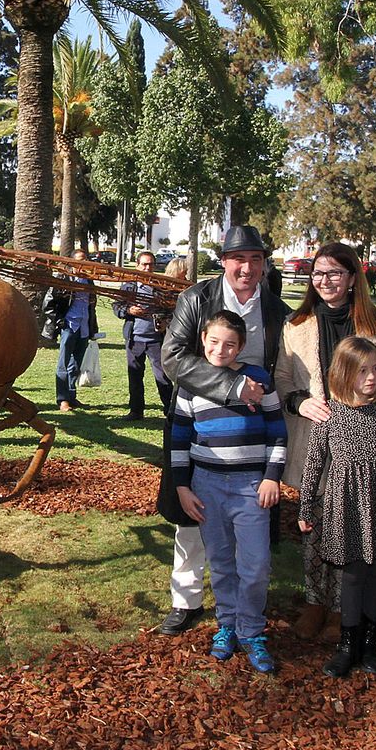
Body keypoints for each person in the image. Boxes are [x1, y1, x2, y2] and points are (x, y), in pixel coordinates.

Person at [157, 225, 289, 636]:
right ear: (224, 262)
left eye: (255, 259)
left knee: (246, 521)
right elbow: (173, 357)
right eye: (238, 259)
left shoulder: (277, 310)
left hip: (251, 432)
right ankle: (186, 599)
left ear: (264, 264)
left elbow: (283, 367)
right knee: (191, 513)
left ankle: (242, 609)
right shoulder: (196, 298)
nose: (246, 268)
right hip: (199, 418)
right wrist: (232, 387)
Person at [276, 241, 376, 642]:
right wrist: (300, 403)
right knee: (314, 522)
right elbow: (281, 382)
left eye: (334, 273)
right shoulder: (297, 326)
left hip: (361, 444)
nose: (325, 281)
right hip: (316, 436)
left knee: (352, 524)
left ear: (351, 278)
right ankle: (315, 601)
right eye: (318, 273)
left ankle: (341, 610)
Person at [169, 310, 286, 673]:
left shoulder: (259, 380)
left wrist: (271, 476)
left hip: (251, 486)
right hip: (207, 486)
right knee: (220, 562)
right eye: (215, 341)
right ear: (203, 339)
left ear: (242, 347)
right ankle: (228, 624)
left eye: (230, 344)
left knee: (256, 565)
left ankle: (252, 629)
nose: (221, 349)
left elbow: (278, 432)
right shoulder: (191, 384)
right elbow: (178, 439)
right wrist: (182, 488)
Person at [298, 336, 376, 678]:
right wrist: (305, 507)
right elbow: (313, 464)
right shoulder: (331, 415)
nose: (372, 377)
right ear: (344, 373)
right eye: (363, 370)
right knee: (351, 575)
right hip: (345, 505)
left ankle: (370, 646)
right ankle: (347, 646)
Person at [114, 250, 171, 420]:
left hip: (155, 340)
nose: (147, 268)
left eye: (151, 264)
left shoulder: (161, 286)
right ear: (137, 265)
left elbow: (171, 308)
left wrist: (165, 322)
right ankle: (136, 411)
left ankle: (170, 410)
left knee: (162, 376)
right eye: (144, 264)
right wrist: (129, 310)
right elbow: (117, 306)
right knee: (135, 376)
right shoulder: (128, 286)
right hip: (134, 339)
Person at [54, 250, 98, 413]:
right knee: (64, 363)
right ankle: (62, 399)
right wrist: (59, 321)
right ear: (71, 262)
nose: (83, 263)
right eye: (79, 260)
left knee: (76, 364)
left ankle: (71, 396)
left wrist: (93, 326)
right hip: (69, 324)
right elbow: (51, 302)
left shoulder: (89, 280)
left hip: (84, 326)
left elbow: (91, 305)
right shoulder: (64, 279)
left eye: (85, 260)